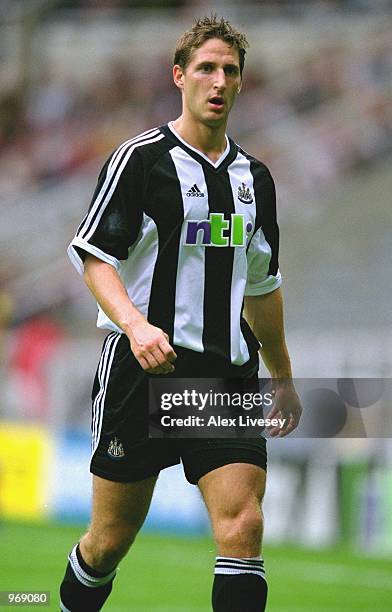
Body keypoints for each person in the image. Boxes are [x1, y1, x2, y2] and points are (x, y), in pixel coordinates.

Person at [60, 14, 302, 612]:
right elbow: (95, 257)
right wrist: (137, 325)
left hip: (226, 376)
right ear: (179, 76)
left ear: (242, 84)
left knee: (243, 526)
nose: (219, 81)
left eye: (230, 71)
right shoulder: (140, 160)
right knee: (109, 541)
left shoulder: (256, 179)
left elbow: (263, 286)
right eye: (206, 68)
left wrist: (283, 375)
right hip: (145, 374)